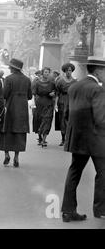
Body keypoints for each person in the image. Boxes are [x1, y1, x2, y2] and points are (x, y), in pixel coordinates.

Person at [61, 56, 105, 222]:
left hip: (77, 138)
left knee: (74, 172)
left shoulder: (74, 86)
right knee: (103, 173)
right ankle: (100, 210)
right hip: (95, 140)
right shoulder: (98, 90)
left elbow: (66, 114)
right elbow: (101, 119)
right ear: (99, 71)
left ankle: (68, 210)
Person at [0, 58, 32, 167]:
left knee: (6, 130)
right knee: (19, 132)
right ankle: (16, 156)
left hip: (10, 107)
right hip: (22, 109)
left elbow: (4, 94)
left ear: (13, 68)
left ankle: (6, 154)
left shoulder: (9, 79)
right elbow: (30, 96)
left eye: (10, 67)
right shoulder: (27, 79)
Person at [32, 67, 56, 147]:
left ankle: (44, 139)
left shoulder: (52, 83)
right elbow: (34, 93)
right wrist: (33, 104)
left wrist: (53, 93)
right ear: (42, 73)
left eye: (48, 72)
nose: (47, 74)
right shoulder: (37, 83)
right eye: (45, 72)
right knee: (39, 120)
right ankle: (40, 137)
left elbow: (55, 91)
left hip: (49, 103)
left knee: (47, 120)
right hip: (39, 103)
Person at [55, 63, 77, 146]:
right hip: (62, 101)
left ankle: (69, 138)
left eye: (70, 71)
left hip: (71, 101)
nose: (69, 72)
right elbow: (57, 93)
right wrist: (55, 105)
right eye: (67, 71)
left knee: (70, 120)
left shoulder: (75, 81)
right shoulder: (60, 81)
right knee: (62, 120)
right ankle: (63, 138)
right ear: (64, 71)